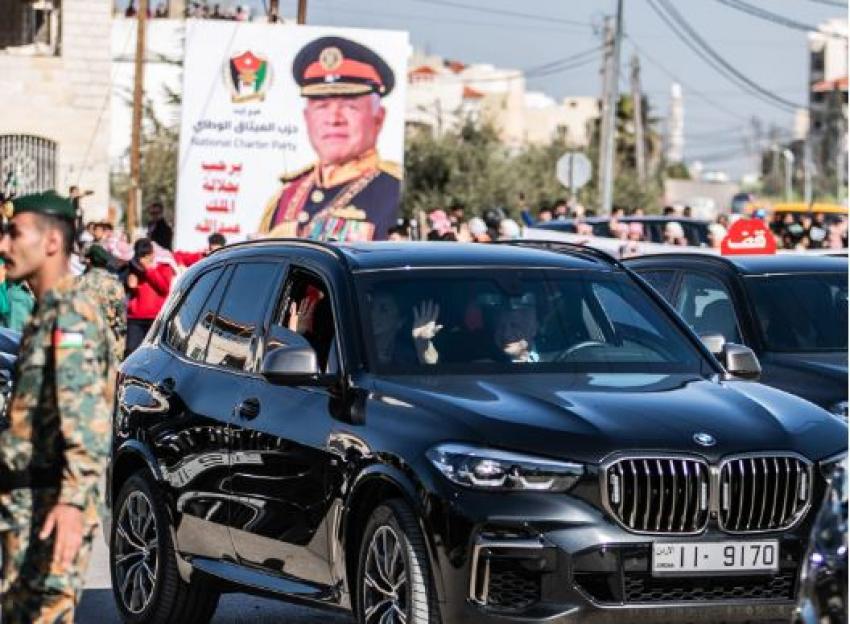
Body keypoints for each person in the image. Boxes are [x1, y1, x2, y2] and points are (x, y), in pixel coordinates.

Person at [0, 190, 114, 623]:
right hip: (29, 505)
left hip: (51, 509)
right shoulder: (47, 314)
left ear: (51, 242)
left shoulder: (71, 316)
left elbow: (86, 419)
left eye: (15, 234)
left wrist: (71, 505)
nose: (4, 245)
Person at [259, 36, 401, 241]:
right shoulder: (287, 195)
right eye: (321, 106)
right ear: (307, 118)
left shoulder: (394, 192)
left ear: (378, 118)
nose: (334, 119)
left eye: (350, 106)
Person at [412, 296, 540, 364]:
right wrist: (422, 343)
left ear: (534, 327)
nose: (506, 333)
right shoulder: (476, 351)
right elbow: (438, 373)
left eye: (515, 326)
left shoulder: (551, 359)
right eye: (501, 326)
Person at [125, 237, 174, 356]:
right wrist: (130, 285)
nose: (142, 260)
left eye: (146, 256)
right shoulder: (133, 265)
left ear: (152, 254)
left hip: (155, 317)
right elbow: (128, 289)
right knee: (131, 352)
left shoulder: (164, 265)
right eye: (140, 256)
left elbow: (164, 288)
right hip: (135, 317)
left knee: (153, 353)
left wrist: (149, 270)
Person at [79, 244, 127, 362]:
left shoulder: (79, 282)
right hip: (108, 339)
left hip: (84, 338)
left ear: (89, 261)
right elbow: (122, 317)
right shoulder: (114, 284)